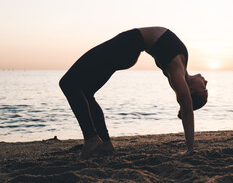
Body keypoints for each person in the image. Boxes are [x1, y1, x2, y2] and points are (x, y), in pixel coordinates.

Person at [59, 27, 208, 159]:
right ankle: (105, 144)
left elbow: (187, 110)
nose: (206, 82)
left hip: (126, 45)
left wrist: (189, 150)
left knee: (67, 84)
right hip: (128, 49)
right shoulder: (181, 68)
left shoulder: (177, 73)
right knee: (86, 93)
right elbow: (186, 108)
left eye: (204, 88)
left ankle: (91, 138)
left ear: (191, 91)